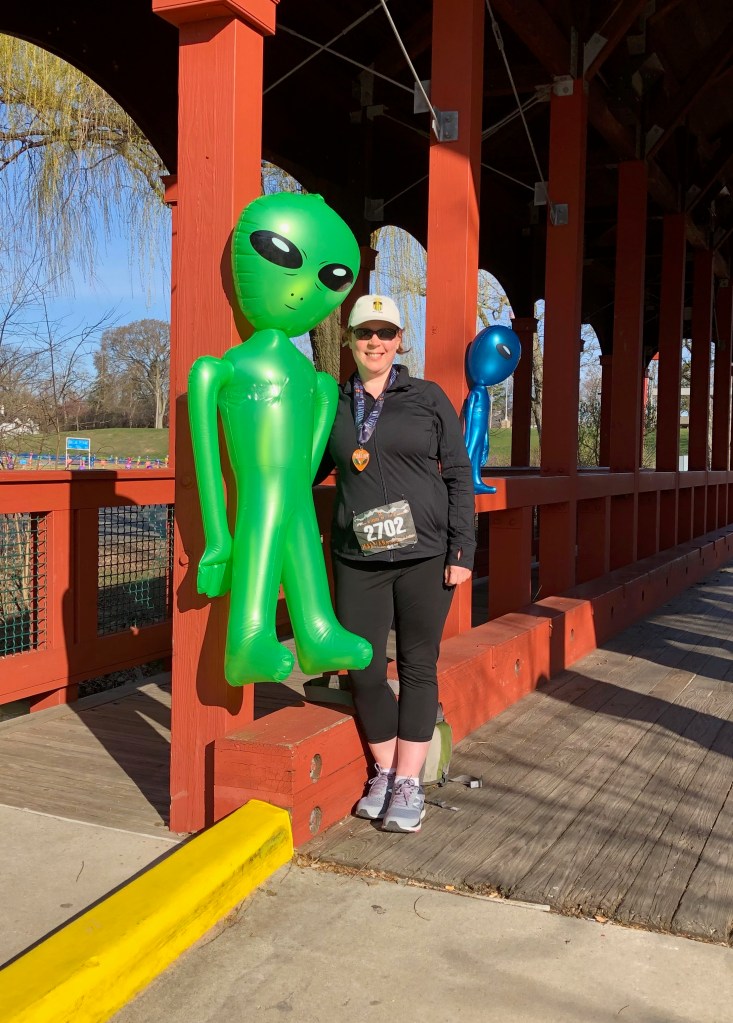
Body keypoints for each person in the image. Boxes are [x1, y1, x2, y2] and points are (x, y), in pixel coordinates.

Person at [316, 294, 475, 833]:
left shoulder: (427, 398)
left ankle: (410, 781)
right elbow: (305, 469)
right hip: (358, 558)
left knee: (417, 665)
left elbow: (459, 473)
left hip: (424, 556)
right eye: (365, 332)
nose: (375, 342)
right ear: (349, 340)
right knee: (362, 669)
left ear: (400, 341)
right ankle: (384, 772)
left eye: (385, 333)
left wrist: (461, 551)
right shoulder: (332, 405)